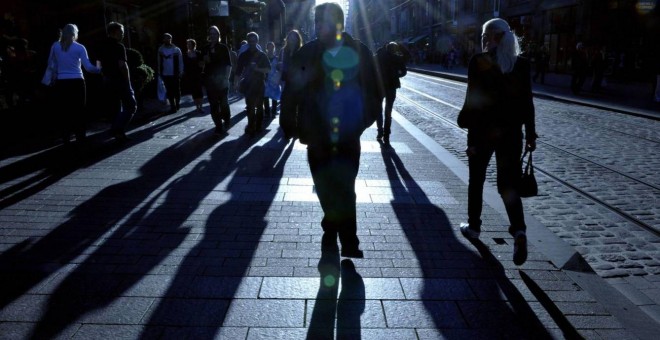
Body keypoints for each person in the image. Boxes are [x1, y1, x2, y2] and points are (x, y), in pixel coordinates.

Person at [280, 2, 380, 258]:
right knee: (324, 185)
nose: (318, 28)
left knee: (345, 185)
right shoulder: (307, 52)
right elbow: (291, 89)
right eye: (316, 23)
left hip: (347, 134)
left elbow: (374, 91)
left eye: (323, 23)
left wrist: (361, 123)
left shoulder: (360, 51)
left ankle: (348, 240)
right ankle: (331, 224)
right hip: (316, 134)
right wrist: (288, 122)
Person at [456, 18, 537, 266]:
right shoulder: (521, 64)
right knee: (507, 185)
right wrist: (530, 136)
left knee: (477, 180)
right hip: (512, 134)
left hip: (482, 133)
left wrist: (469, 134)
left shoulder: (479, 62)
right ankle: (519, 230)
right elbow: (527, 103)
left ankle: (474, 227)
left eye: (484, 36)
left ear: (488, 37)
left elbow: (473, 102)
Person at [48, 23, 101, 145]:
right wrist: (99, 67)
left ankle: (65, 137)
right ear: (74, 33)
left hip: (61, 82)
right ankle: (80, 137)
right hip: (77, 82)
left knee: (64, 110)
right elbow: (88, 67)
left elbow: (51, 64)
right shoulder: (79, 47)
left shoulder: (55, 46)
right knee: (79, 110)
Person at [97, 21, 136, 144]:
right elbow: (122, 65)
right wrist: (127, 80)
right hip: (120, 80)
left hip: (107, 80)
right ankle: (116, 129)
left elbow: (98, 63)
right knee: (131, 105)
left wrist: (102, 74)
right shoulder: (119, 46)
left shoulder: (101, 46)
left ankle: (119, 134)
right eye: (121, 32)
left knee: (116, 108)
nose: (123, 34)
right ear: (115, 32)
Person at [234, 31, 270, 136]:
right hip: (249, 84)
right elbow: (238, 70)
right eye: (250, 41)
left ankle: (258, 126)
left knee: (259, 106)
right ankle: (251, 125)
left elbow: (268, 69)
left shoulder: (262, 55)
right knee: (250, 106)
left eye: (254, 41)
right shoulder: (244, 55)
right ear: (248, 42)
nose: (252, 43)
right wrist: (236, 82)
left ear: (257, 41)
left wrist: (257, 69)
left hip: (259, 84)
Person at [201, 25, 232, 134]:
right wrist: (204, 61)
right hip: (210, 81)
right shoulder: (205, 48)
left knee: (224, 104)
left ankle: (227, 119)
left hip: (222, 80)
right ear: (209, 35)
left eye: (215, 34)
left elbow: (228, 64)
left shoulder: (223, 48)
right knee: (213, 105)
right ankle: (218, 125)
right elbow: (201, 65)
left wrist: (226, 78)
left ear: (218, 35)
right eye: (211, 34)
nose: (213, 36)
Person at [374, 41, 407, 145]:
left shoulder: (378, 56)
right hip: (392, 86)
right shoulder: (397, 58)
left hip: (380, 86)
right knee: (388, 111)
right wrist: (397, 74)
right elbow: (404, 71)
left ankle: (380, 131)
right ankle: (387, 135)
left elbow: (372, 70)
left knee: (379, 109)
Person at [157, 33, 184, 113]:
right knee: (169, 90)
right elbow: (158, 61)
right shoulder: (161, 50)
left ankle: (178, 102)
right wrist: (159, 72)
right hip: (165, 73)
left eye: (168, 38)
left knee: (177, 90)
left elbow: (180, 61)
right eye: (165, 38)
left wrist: (181, 71)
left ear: (171, 39)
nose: (167, 40)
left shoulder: (176, 50)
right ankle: (173, 106)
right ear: (163, 39)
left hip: (175, 73)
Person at [278, 29, 303, 93]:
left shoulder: (301, 51)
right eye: (291, 38)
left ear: (298, 39)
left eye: (294, 38)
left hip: (297, 81)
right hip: (285, 81)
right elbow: (278, 65)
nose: (292, 40)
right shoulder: (283, 51)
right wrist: (279, 66)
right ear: (287, 39)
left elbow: (303, 67)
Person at [183, 38, 204, 113]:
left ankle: (201, 106)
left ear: (193, 45)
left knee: (200, 91)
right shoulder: (186, 55)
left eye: (189, 44)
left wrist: (201, 70)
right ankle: (197, 107)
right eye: (187, 44)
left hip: (198, 74)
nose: (188, 45)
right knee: (194, 91)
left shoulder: (198, 53)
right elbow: (185, 66)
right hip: (190, 75)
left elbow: (202, 63)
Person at [263, 41, 281, 117]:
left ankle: (273, 112)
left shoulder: (277, 58)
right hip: (266, 78)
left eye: (272, 47)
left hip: (274, 79)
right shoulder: (264, 57)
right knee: (265, 96)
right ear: (267, 48)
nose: (270, 49)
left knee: (274, 96)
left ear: (274, 48)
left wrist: (279, 79)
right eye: (269, 47)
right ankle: (267, 112)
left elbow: (280, 69)